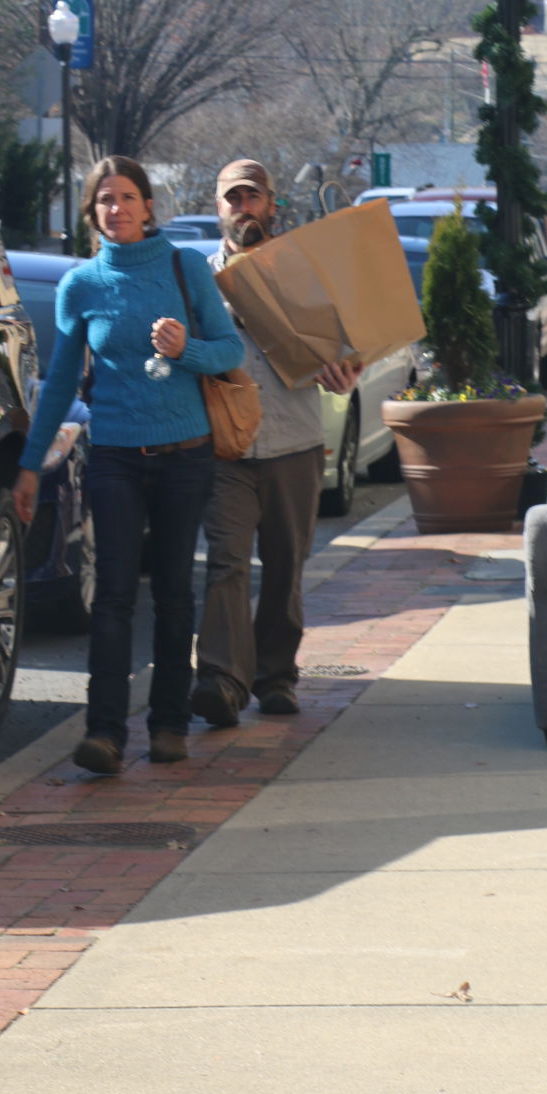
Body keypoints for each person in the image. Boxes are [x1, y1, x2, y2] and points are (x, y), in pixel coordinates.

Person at [12, 155, 243, 775]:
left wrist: (185, 349)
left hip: (185, 455)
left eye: (127, 197)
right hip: (114, 456)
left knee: (172, 592)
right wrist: (31, 464)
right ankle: (105, 733)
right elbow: (61, 382)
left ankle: (168, 725)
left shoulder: (184, 266)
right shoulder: (81, 285)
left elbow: (230, 350)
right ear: (93, 213)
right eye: (105, 200)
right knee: (113, 595)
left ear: (148, 206)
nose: (116, 208)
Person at [191, 159, 361, 727]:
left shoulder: (303, 275)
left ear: (271, 203)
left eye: (253, 197)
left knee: (285, 569)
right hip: (227, 450)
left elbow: (343, 349)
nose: (243, 207)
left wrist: (344, 372)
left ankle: (276, 677)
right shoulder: (197, 282)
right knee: (226, 564)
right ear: (218, 207)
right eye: (233, 198)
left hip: (295, 444)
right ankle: (221, 680)